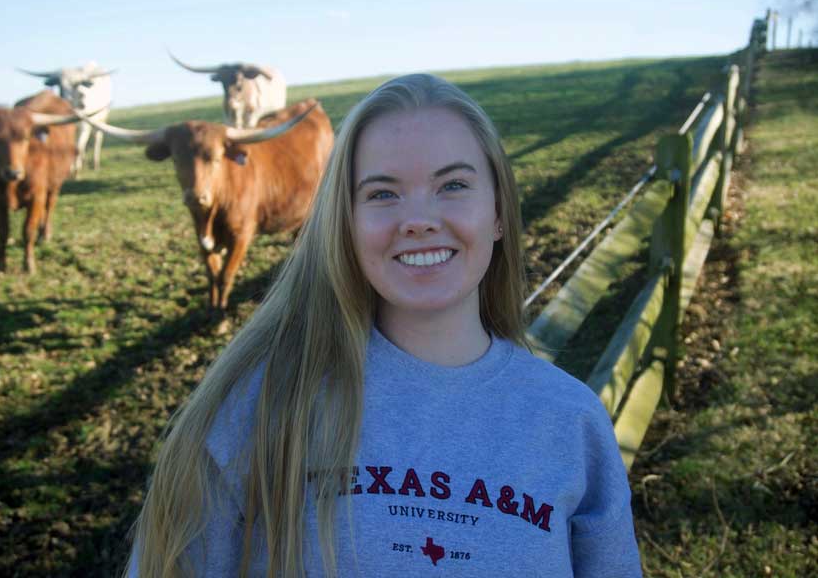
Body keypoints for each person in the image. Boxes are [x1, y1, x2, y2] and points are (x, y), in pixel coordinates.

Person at [126, 73, 642, 577]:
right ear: (343, 222)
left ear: (500, 212)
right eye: (382, 194)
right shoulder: (258, 406)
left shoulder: (571, 421)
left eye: (454, 184)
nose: (418, 219)